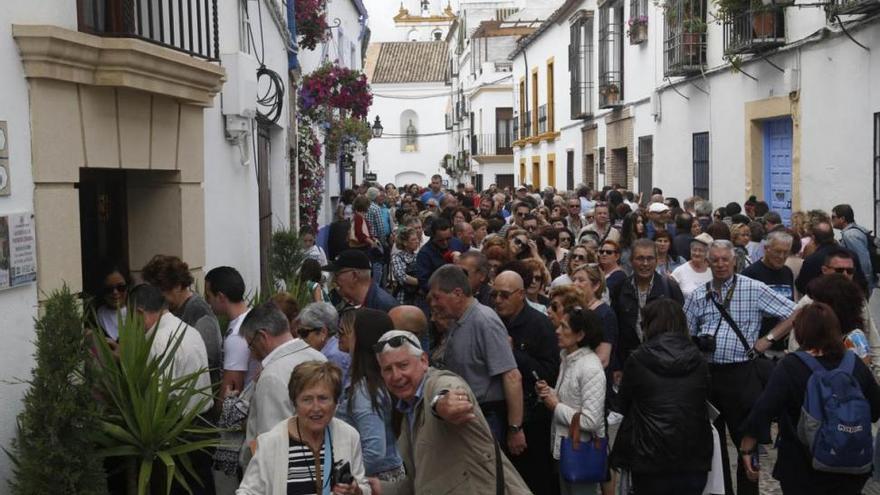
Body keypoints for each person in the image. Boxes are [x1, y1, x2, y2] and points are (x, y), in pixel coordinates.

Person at [684, 240, 796, 495]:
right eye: (716, 260)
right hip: (709, 376)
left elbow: (797, 311)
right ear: (708, 262)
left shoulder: (753, 288)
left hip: (742, 374)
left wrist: (768, 339)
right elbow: (686, 335)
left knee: (748, 443)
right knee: (712, 446)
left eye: (726, 259)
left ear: (734, 261)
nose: (721, 264)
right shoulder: (697, 296)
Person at [739, 303, 880, 495]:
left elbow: (765, 408)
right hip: (851, 464)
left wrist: (748, 445)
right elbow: (874, 410)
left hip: (803, 464)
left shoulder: (791, 365)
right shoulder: (854, 363)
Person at [374, 330, 531, 494]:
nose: (396, 376)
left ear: (423, 361)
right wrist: (375, 489)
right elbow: (416, 483)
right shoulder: (409, 412)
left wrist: (441, 404)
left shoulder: (437, 383)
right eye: (388, 369)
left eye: (403, 365)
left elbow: (447, 390)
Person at [610, 299, 712, 495]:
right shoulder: (698, 358)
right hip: (693, 453)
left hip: (649, 454)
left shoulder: (638, 359)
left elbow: (622, 403)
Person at [426, 265, 526, 454]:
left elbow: (512, 376)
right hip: (469, 415)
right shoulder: (457, 321)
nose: (434, 304)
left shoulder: (484, 321)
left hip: (488, 418)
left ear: (457, 293)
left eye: (438, 297)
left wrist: (515, 428)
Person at [236, 361, 371, 495]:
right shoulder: (270, 443)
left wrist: (357, 491)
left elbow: (363, 485)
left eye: (323, 398)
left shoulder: (349, 436)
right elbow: (247, 492)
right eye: (307, 399)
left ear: (335, 402)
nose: (316, 408)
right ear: (295, 403)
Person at [128, 284, 213, 494]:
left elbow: (158, 400)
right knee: (201, 485)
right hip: (203, 423)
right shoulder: (189, 330)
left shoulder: (157, 342)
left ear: (139, 313)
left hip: (177, 434)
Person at [492, 271, 561, 494]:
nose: (498, 301)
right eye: (495, 295)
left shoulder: (540, 325)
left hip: (533, 418)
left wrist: (514, 354)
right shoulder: (493, 322)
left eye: (504, 295)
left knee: (536, 480)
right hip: (501, 412)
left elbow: (549, 372)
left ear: (521, 294)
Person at [239, 303, 327, 466]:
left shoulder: (271, 376)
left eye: (250, 345)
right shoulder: (320, 358)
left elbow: (271, 444)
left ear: (262, 337)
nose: (251, 353)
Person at [535, 306, 606, 495]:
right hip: (564, 450)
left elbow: (591, 420)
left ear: (580, 335)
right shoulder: (568, 359)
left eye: (564, 327)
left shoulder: (590, 368)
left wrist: (555, 406)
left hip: (581, 454)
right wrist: (548, 392)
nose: (557, 331)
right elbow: (570, 399)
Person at [337, 309, 405, 482]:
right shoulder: (379, 381)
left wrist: (346, 478)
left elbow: (374, 450)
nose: (345, 337)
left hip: (374, 481)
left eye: (350, 332)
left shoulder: (364, 390)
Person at [142, 254, 223, 386]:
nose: (157, 297)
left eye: (162, 291)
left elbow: (209, 361)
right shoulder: (173, 308)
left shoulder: (199, 312)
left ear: (178, 286)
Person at [610, 239, 684, 367]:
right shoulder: (620, 288)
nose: (645, 263)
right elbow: (615, 330)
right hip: (629, 361)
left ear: (656, 261)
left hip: (662, 362)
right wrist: (617, 365)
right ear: (631, 260)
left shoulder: (669, 288)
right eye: (640, 258)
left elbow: (680, 330)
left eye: (650, 259)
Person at [741, 231, 797, 359]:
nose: (782, 256)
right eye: (778, 251)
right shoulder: (750, 274)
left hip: (783, 346)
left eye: (786, 252)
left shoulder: (787, 272)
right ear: (766, 249)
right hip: (758, 346)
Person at [205, 266, 258, 399]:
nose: (207, 302)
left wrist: (218, 416)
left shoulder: (236, 335)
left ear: (221, 297)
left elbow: (232, 386)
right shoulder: (249, 316)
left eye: (208, 296)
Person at [324, 250, 398, 313]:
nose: (334, 280)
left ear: (354, 276)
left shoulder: (385, 308)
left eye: (337, 275)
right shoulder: (349, 304)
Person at [298, 302, 351, 385]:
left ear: (323, 332)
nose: (300, 338)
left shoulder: (333, 356)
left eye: (304, 333)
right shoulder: (333, 348)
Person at [832, 203, 874, 289]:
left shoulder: (850, 235)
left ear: (842, 219)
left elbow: (863, 260)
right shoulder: (857, 230)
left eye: (833, 217)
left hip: (860, 283)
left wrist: (863, 284)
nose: (831, 220)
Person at [415, 217, 453, 293]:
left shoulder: (455, 244)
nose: (445, 243)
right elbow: (424, 282)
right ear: (433, 236)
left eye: (448, 239)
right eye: (441, 240)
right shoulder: (424, 254)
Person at [92, 263, 129, 341]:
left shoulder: (136, 313)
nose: (115, 292)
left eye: (120, 287)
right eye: (109, 289)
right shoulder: (95, 316)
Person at [671, 233, 714, 298]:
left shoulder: (713, 272)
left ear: (707, 253)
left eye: (701, 251)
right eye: (694, 250)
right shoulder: (679, 271)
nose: (697, 253)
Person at [389, 227, 419, 305]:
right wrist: (420, 282)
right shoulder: (397, 257)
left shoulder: (419, 256)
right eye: (413, 240)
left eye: (417, 239)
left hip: (418, 296)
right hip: (404, 296)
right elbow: (401, 276)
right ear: (405, 243)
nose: (417, 241)